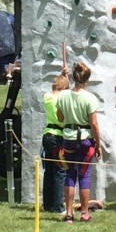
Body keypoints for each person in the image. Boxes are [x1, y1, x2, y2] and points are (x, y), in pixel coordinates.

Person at [56, 61, 102, 223]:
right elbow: (94, 124)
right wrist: (98, 143)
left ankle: (69, 213)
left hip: (68, 138)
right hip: (84, 139)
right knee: (84, 175)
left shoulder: (62, 96)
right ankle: (84, 213)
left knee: (69, 174)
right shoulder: (89, 98)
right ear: (86, 80)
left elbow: (60, 118)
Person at [42, 72, 69, 212]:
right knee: (60, 171)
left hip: (47, 135)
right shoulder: (61, 100)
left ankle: (48, 204)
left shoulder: (47, 97)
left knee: (49, 171)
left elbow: (61, 90)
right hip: (58, 136)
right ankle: (59, 206)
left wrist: (62, 76)